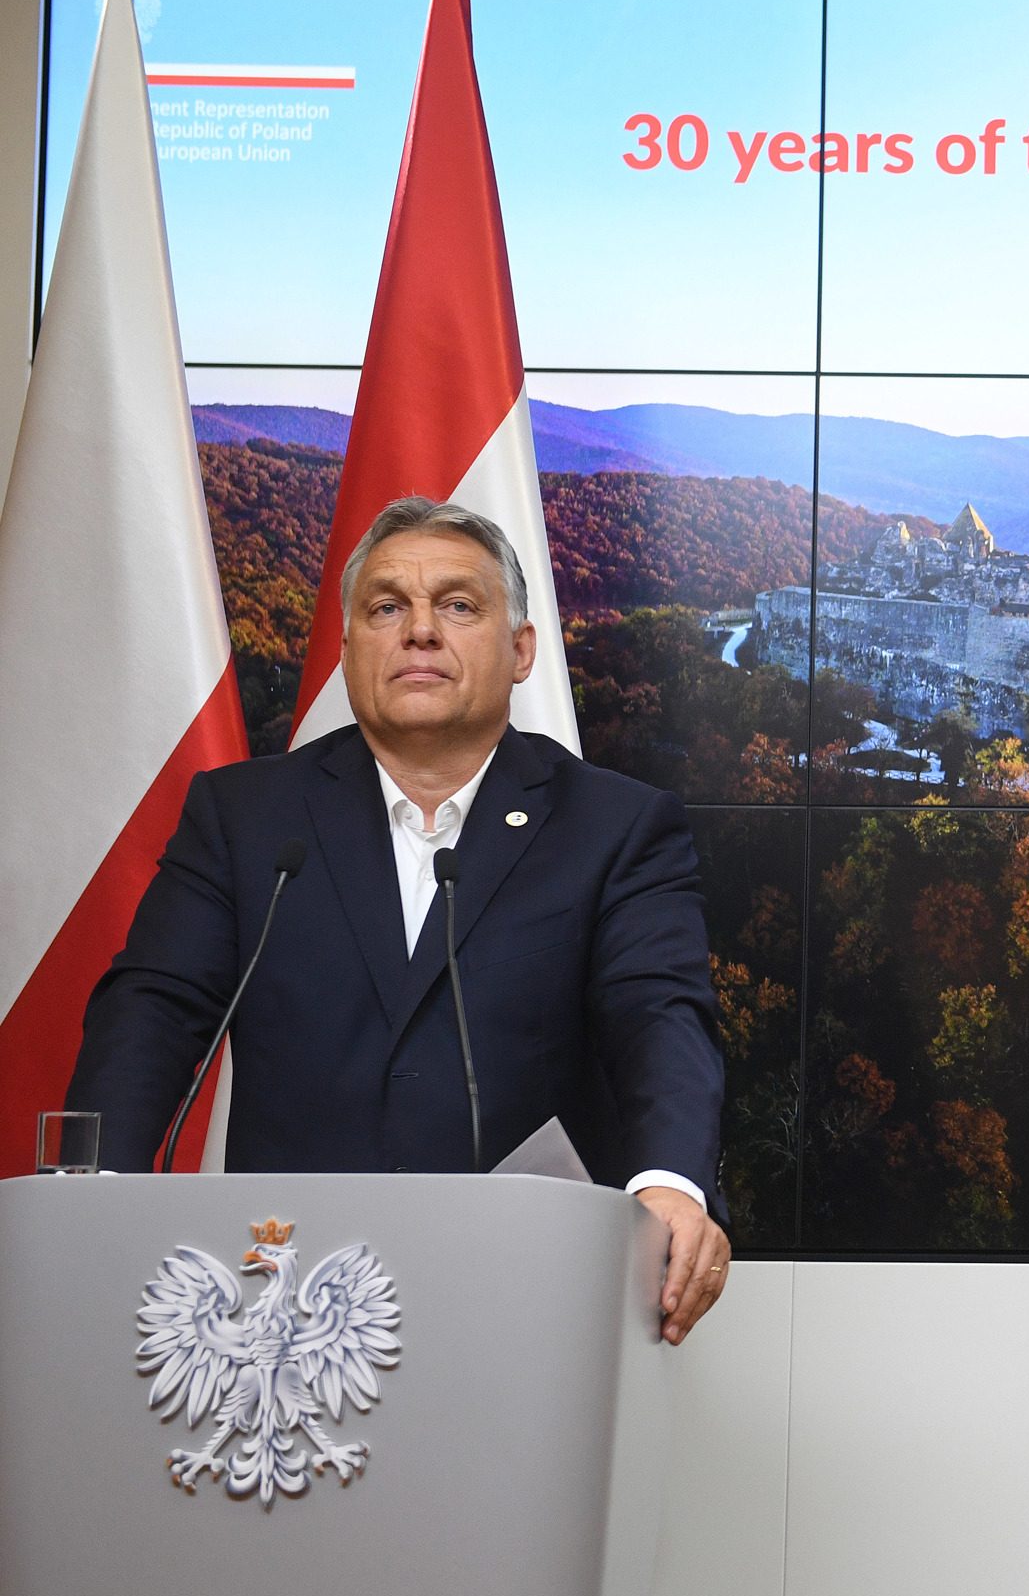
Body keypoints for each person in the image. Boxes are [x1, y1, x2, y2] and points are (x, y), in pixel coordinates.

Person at [67, 497, 733, 1341]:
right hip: (282, 1311)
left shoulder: (616, 827)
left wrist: (669, 1182)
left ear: (522, 649)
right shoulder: (247, 817)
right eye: (387, 607)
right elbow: (150, 1012)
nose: (420, 630)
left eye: (458, 605)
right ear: (348, 651)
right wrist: (92, 1202)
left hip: (522, 1304)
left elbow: (660, 1018)